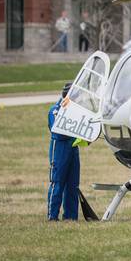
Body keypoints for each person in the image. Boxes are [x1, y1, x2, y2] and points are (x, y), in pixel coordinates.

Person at [47, 82, 80, 221]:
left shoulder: (77, 110)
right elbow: (57, 130)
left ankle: (71, 217)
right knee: (58, 182)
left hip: (73, 147)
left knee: (73, 184)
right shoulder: (55, 110)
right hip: (59, 147)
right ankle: (52, 216)